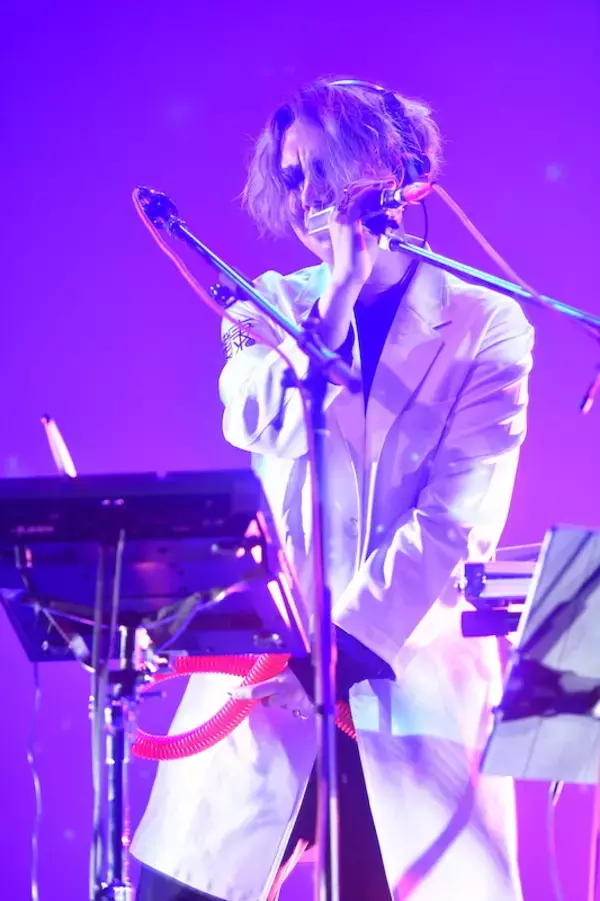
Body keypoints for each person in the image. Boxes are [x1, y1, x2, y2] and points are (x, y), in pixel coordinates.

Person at [132, 78, 534, 901]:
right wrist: (339, 294)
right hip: (261, 691)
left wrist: (337, 654)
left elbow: (457, 517)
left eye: (328, 167)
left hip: (401, 681)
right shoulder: (268, 304)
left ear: (395, 172)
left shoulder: (488, 324)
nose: (309, 194)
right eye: (293, 176)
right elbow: (256, 416)